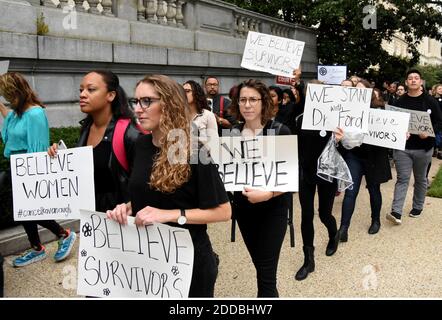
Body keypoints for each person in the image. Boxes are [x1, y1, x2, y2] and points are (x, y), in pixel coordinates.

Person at [106, 74, 231, 297]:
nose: (138, 109)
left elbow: (223, 211)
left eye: (147, 101)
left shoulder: (195, 151)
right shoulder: (141, 144)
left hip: (190, 263)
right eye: (136, 102)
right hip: (150, 259)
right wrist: (127, 207)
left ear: (169, 104)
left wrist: (170, 215)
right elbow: (150, 193)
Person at [0, 72, 76, 267]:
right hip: (15, 167)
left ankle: (64, 234)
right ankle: (37, 248)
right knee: (22, 212)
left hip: (28, 170)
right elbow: (9, 124)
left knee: (30, 211)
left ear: (18, 92)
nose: (7, 100)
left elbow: (38, 148)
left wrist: (32, 176)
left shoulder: (35, 114)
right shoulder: (17, 114)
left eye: (8, 96)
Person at [228, 79, 291, 297]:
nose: (247, 105)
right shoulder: (234, 133)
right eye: (243, 100)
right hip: (244, 212)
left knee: (265, 275)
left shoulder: (279, 131)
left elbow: (293, 177)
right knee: (260, 266)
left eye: (253, 99)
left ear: (263, 103)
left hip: (273, 211)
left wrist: (268, 194)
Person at [48, 70, 143, 212]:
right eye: (81, 90)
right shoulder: (86, 128)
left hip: (122, 222)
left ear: (110, 95)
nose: (82, 94)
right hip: (92, 219)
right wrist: (58, 155)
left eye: (91, 90)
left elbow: (145, 185)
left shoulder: (130, 134)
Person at [292, 77, 344, 281]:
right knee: (306, 215)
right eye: (311, 91)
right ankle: (308, 260)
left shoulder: (334, 120)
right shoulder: (299, 118)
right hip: (306, 173)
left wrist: (339, 139)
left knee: (324, 214)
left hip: (327, 173)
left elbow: (347, 144)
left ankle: (334, 235)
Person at [338, 81, 392, 241]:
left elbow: (390, 131)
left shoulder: (379, 110)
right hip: (354, 155)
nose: (358, 93)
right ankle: (343, 228)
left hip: (374, 156)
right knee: (350, 191)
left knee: (374, 189)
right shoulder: (346, 109)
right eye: (356, 90)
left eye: (362, 90)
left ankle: (375, 221)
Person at [388, 70, 442, 224]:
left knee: (420, 179)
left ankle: (417, 206)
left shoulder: (430, 101)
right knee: (402, 178)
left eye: (416, 78)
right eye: (410, 78)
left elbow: (439, 121)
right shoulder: (399, 102)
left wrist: (429, 131)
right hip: (403, 147)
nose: (413, 80)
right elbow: (394, 122)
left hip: (424, 148)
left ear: (421, 82)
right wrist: (400, 131)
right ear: (406, 82)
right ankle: (396, 211)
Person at [183, 80, 218, 150]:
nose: (184, 94)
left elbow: (214, 142)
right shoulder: (179, 115)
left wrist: (195, 139)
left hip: (202, 158)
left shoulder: (207, 115)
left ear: (196, 93)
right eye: (182, 91)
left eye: (187, 91)